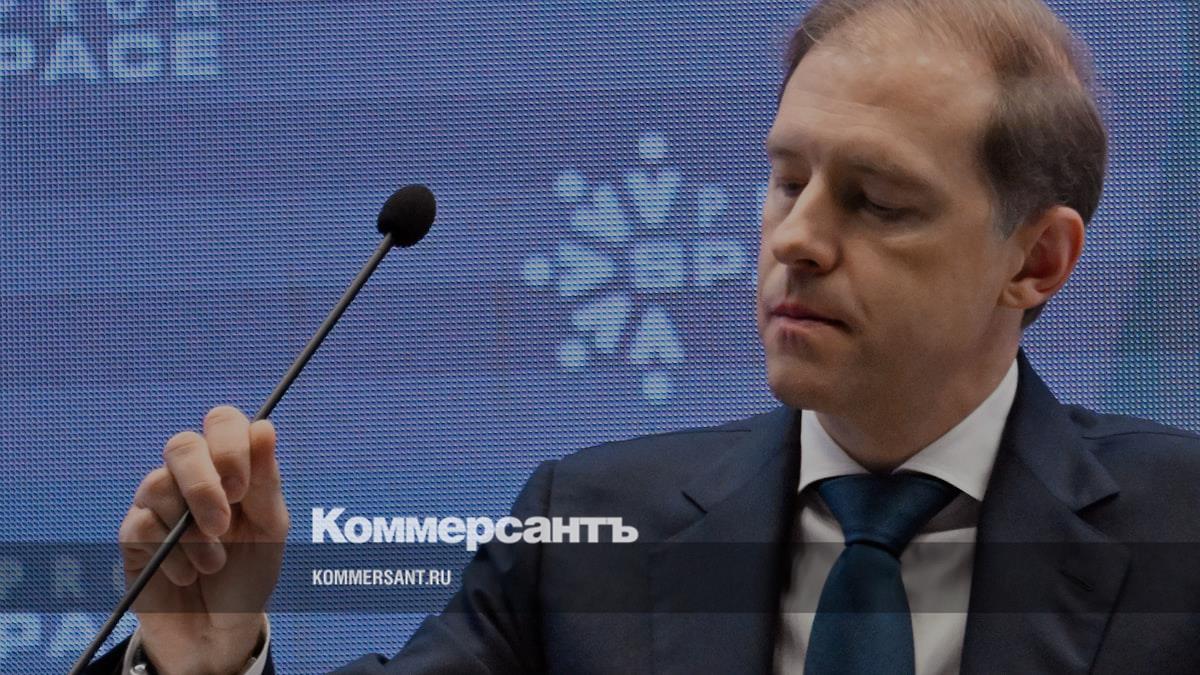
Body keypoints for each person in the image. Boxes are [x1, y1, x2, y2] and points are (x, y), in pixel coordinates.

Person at [87, 0, 1200, 673]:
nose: (795, 240)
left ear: (1036, 260)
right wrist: (206, 661)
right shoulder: (589, 533)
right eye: (787, 181)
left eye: (877, 201)